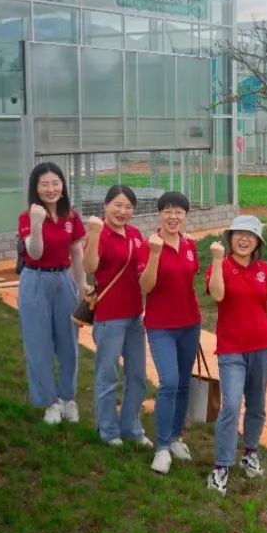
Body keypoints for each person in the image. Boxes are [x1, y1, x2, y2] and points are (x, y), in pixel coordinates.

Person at [206, 215, 267, 496]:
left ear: (257, 242)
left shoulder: (266, 270)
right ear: (230, 238)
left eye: (250, 235)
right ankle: (221, 467)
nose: (243, 239)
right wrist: (217, 261)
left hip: (262, 347)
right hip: (231, 349)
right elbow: (217, 295)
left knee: (257, 404)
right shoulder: (220, 265)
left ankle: (250, 452)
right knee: (230, 405)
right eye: (238, 233)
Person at [16, 162, 87, 425]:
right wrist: (37, 225)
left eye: (55, 183)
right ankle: (49, 401)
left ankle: (68, 398)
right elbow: (35, 253)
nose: (51, 189)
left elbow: (77, 254)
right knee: (38, 344)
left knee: (69, 343)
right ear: (35, 188)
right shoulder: (27, 217)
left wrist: (82, 288)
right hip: (35, 280)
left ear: (63, 185)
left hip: (64, 280)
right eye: (44, 184)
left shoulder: (71, 216)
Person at [83, 185, 151, 449]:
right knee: (108, 374)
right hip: (109, 317)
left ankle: (131, 427)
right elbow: (90, 266)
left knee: (137, 376)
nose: (123, 211)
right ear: (106, 205)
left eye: (128, 207)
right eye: (118, 205)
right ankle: (108, 429)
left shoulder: (134, 234)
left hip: (134, 316)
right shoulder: (100, 232)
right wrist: (94, 233)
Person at [138, 192, 202, 475]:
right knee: (170, 382)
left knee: (184, 383)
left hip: (190, 324)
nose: (173, 216)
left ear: (185, 215)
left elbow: (189, 279)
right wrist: (155, 254)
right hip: (160, 326)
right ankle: (162, 447)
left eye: (179, 212)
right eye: (168, 211)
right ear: (159, 214)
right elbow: (146, 286)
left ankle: (175, 437)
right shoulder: (149, 245)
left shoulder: (189, 245)